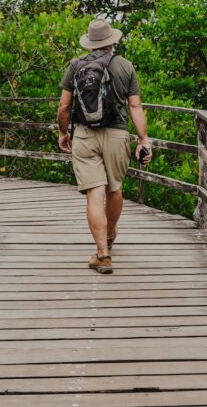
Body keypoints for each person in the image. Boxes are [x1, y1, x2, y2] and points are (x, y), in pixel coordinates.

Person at [57, 18, 152, 275]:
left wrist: (64, 133)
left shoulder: (75, 65)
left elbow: (64, 106)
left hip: (85, 135)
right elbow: (135, 106)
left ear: (90, 43)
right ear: (112, 41)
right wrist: (143, 140)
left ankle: (103, 254)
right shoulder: (125, 66)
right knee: (115, 189)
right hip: (117, 135)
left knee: (94, 195)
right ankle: (110, 235)